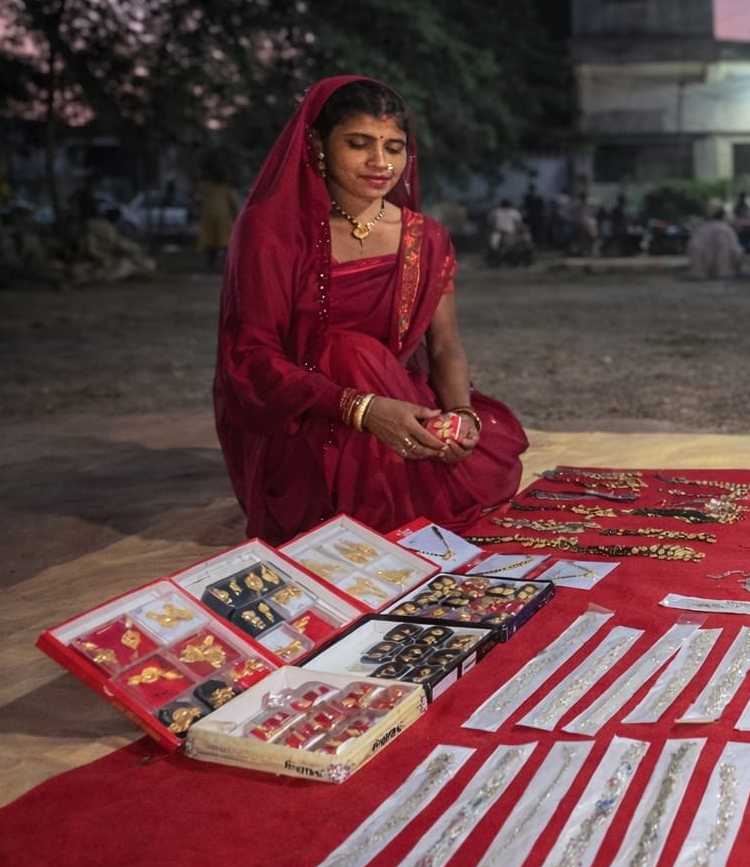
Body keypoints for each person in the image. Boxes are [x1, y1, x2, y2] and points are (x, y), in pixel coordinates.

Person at [213, 75, 528, 544]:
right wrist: (361, 408)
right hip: (300, 417)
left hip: (397, 404)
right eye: (359, 144)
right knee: (352, 353)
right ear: (317, 145)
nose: (380, 163)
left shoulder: (426, 237)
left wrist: (461, 413)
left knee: (370, 363)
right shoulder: (271, 232)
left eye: (395, 147)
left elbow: (444, 346)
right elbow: (252, 360)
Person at [194, 159, 241, 271]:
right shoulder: (208, 186)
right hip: (218, 218)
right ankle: (217, 264)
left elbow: (197, 200)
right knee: (216, 242)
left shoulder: (218, 187)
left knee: (220, 242)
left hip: (216, 218)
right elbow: (235, 202)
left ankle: (220, 264)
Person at [685, 200, 744, 279]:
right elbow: (736, 253)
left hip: (699, 273)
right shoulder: (727, 230)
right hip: (724, 272)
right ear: (722, 213)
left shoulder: (700, 231)